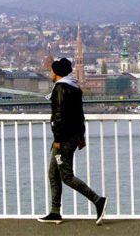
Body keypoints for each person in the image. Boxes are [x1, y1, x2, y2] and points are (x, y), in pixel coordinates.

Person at [38, 58, 108, 225]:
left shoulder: (60, 88)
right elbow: (79, 115)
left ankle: (98, 200)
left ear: (56, 72)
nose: (50, 74)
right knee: (53, 174)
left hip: (63, 139)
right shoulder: (75, 87)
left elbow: (59, 117)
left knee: (66, 176)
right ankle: (55, 212)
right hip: (72, 136)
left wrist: (57, 139)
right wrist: (81, 136)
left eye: (51, 71)